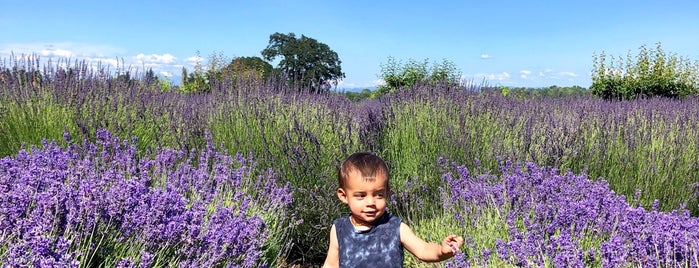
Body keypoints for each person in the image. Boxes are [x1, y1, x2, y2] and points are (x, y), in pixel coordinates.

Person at [322, 152, 464, 268]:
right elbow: (331, 264)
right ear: (344, 196)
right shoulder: (340, 229)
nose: (371, 202)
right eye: (361, 196)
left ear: (387, 193)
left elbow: (423, 250)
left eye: (378, 195)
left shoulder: (395, 227)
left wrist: (441, 251)